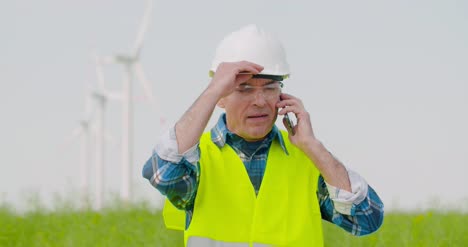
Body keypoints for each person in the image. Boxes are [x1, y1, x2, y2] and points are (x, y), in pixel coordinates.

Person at [142, 24, 384, 247]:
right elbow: (162, 173)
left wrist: (313, 146)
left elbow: (367, 218)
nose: (260, 101)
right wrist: (212, 90)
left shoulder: (308, 160)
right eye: (244, 89)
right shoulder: (198, 160)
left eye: (270, 88)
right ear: (221, 98)